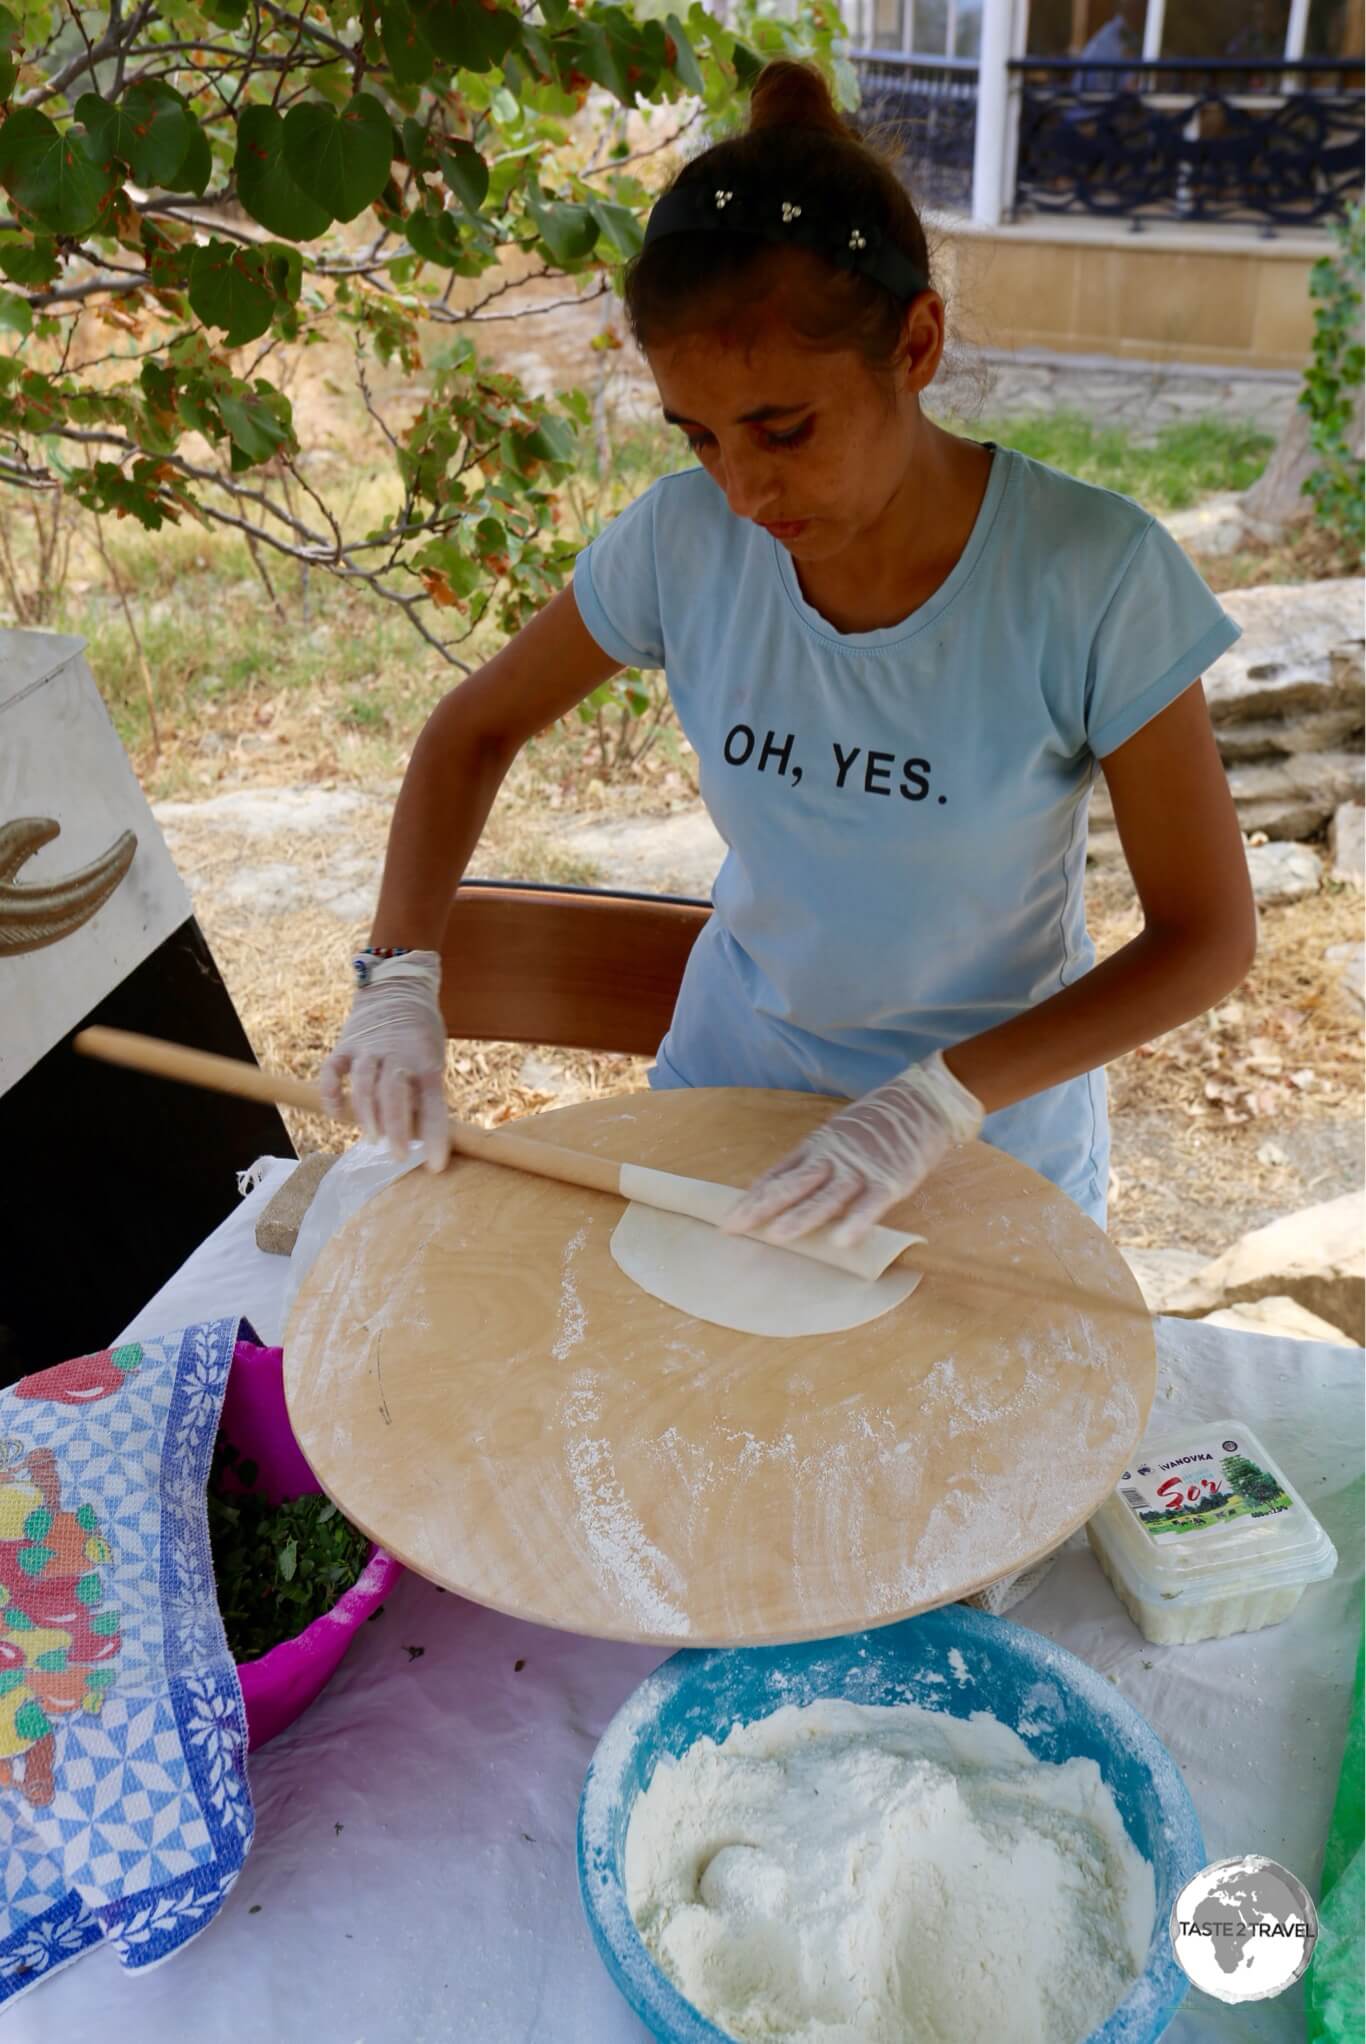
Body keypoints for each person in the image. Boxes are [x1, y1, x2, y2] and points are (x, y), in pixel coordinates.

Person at [321, 59, 1255, 1253]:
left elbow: (1206, 934)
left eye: (784, 429)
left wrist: (935, 1099)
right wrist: (398, 978)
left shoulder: (1088, 573)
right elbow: (473, 731)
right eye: (699, 435)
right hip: (729, 1106)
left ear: (915, 343)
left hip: (980, 1144)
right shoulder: (683, 540)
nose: (744, 487)